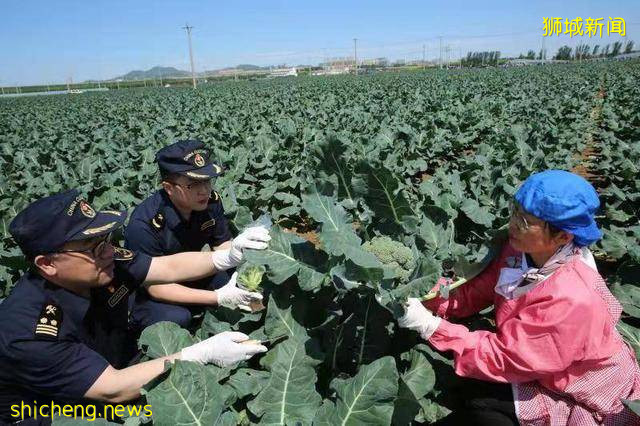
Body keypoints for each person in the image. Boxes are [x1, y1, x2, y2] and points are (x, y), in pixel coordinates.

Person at [0, 189, 271, 425]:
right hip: (49, 411)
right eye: (92, 247)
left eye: (106, 239)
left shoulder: (104, 259)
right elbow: (112, 389)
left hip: (106, 368)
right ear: (47, 264)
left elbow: (166, 267)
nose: (108, 251)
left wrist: (226, 256)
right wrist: (202, 353)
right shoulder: (27, 331)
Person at [399, 170, 640, 425]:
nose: (513, 224)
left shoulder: (572, 297)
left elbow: (508, 358)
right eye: (515, 212)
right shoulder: (521, 251)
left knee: (484, 410)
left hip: (581, 388)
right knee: (466, 386)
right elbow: (476, 290)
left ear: (563, 236)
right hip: (537, 365)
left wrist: (429, 325)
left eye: (525, 222)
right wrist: (429, 295)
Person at [124, 139, 242, 331]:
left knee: (230, 281)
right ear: (169, 188)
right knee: (177, 318)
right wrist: (217, 298)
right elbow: (157, 288)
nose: (204, 190)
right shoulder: (143, 225)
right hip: (150, 291)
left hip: (190, 273)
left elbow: (222, 245)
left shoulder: (210, 202)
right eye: (193, 184)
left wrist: (241, 260)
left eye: (207, 180)